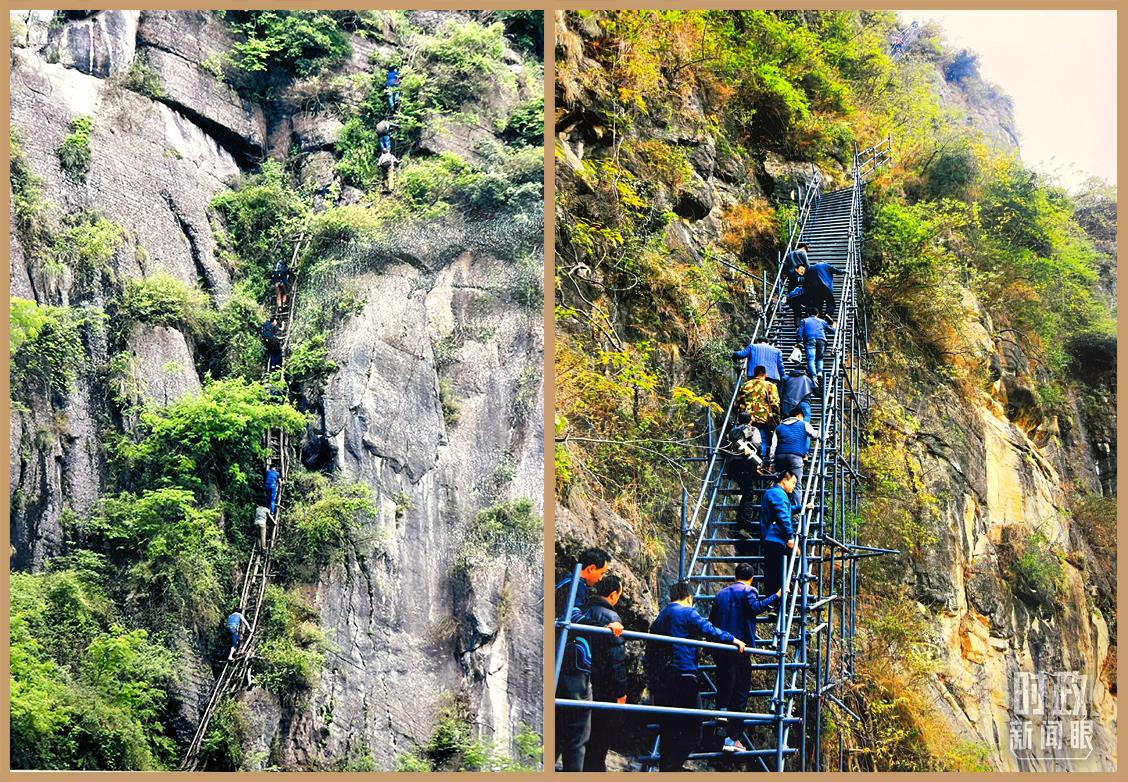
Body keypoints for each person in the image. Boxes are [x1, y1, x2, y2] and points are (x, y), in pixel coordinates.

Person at [646, 580, 746, 772]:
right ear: (689, 597)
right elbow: (708, 629)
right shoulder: (686, 612)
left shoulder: (660, 617)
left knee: (669, 732)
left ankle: (667, 769)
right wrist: (733, 639)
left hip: (662, 680)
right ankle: (672, 769)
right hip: (683, 676)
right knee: (693, 732)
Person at [555, 548, 622, 772]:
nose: (601, 578)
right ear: (591, 569)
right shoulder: (577, 585)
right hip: (574, 663)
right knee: (578, 729)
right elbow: (572, 619)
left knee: (560, 726)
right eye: (601, 573)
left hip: (563, 661)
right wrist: (605, 626)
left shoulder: (567, 583)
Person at [709, 563, 781, 752]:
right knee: (740, 692)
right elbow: (755, 608)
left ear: (735, 576)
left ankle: (722, 710)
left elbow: (711, 620)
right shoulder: (749, 591)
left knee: (725, 683)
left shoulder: (721, 594)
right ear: (751, 578)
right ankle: (732, 739)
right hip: (740, 648)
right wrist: (777, 596)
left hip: (720, 646)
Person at [580, 575, 629, 772]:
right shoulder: (611, 618)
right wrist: (621, 692)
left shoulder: (584, 610)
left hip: (584, 679)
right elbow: (616, 660)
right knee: (600, 740)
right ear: (613, 594)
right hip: (606, 686)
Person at [759, 471, 803, 597]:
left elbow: (786, 510)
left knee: (772, 570)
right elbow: (783, 516)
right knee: (777, 571)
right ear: (784, 480)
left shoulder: (775, 493)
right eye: (793, 483)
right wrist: (790, 538)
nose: (794, 486)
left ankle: (773, 603)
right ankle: (777, 603)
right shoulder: (778, 494)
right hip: (775, 538)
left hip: (770, 537)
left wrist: (802, 507)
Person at [724, 412, 762, 555]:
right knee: (748, 493)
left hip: (733, 465)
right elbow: (758, 445)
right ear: (750, 421)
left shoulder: (732, 432)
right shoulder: (753, 430)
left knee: (744, 490)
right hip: (746, 464)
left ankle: (741, 524)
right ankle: (743, 526)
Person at [769, 406, 821, 494]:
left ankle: (779, 501)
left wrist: (772, 462)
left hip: (780, 456)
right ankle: (798, 506)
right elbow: (816, 435)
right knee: (796, 484)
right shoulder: (803, 424)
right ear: (798, 415)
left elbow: (773, 447)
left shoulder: (779, 427)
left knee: (781, 482)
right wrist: (826, 435)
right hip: (795, 457)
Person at [738, 365, 780, 468]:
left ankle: (748, 462)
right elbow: (775, 403)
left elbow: (738, 402)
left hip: (746, 418)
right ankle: (759, 464)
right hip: (763, 418)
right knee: (762, 440)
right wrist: (777, 416)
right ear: (765, 374)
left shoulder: (745, 385)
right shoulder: (770, 385)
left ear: (754, 374)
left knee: (745, 440)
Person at [796, 312, 836, 386]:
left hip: (809, 340)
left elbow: (799, 332)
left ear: (808, 314)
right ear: (817, 314)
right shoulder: (821, 321)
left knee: (811, 359)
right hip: (821, 340)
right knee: (820, 358)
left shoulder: (804, 321)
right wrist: (834, 324)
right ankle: (819, 372)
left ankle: (814, 377)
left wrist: (798, 341)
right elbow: (833, 331)